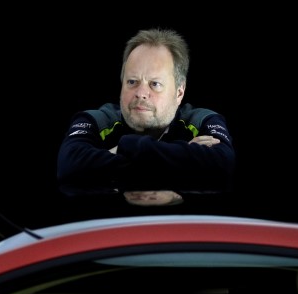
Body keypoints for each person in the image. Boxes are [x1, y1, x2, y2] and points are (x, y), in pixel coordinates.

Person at [56, 28, 235, 208]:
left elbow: (223, 167)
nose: (141, 93)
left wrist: (122, 148)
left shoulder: (202, 120)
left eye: (155, 84)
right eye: (132, 82)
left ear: (179, 92)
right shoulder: (97, 120)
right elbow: (69, 166)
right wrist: (184, 157)